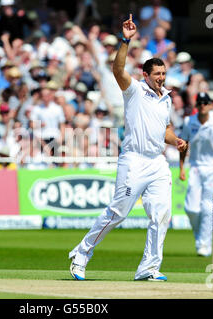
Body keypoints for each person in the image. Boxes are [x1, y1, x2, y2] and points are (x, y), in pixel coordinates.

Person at [68, 15, 187, 282]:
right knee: (118, 213)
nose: (161, 78)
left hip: (157, 162)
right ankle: (81, 254)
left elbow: (164, 129)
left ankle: (149, 268)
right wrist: (125, 40)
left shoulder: (165, 98)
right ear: (145, 75)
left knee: (161, 215)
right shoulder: (134, 89)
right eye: (157, 74)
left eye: (163, 74)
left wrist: (176, 140)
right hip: (133, 160)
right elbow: (118, 70)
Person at [179, 92, 213, 257]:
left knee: (207, 206)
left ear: (210, 105)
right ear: (197, 105)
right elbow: (184, 145)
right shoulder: (189, 121)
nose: (203, 105)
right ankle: (200, 237)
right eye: (200, 102)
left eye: (205, 102)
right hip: (195, 166)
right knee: (191, 208)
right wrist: (182, 167)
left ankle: (205, 244)